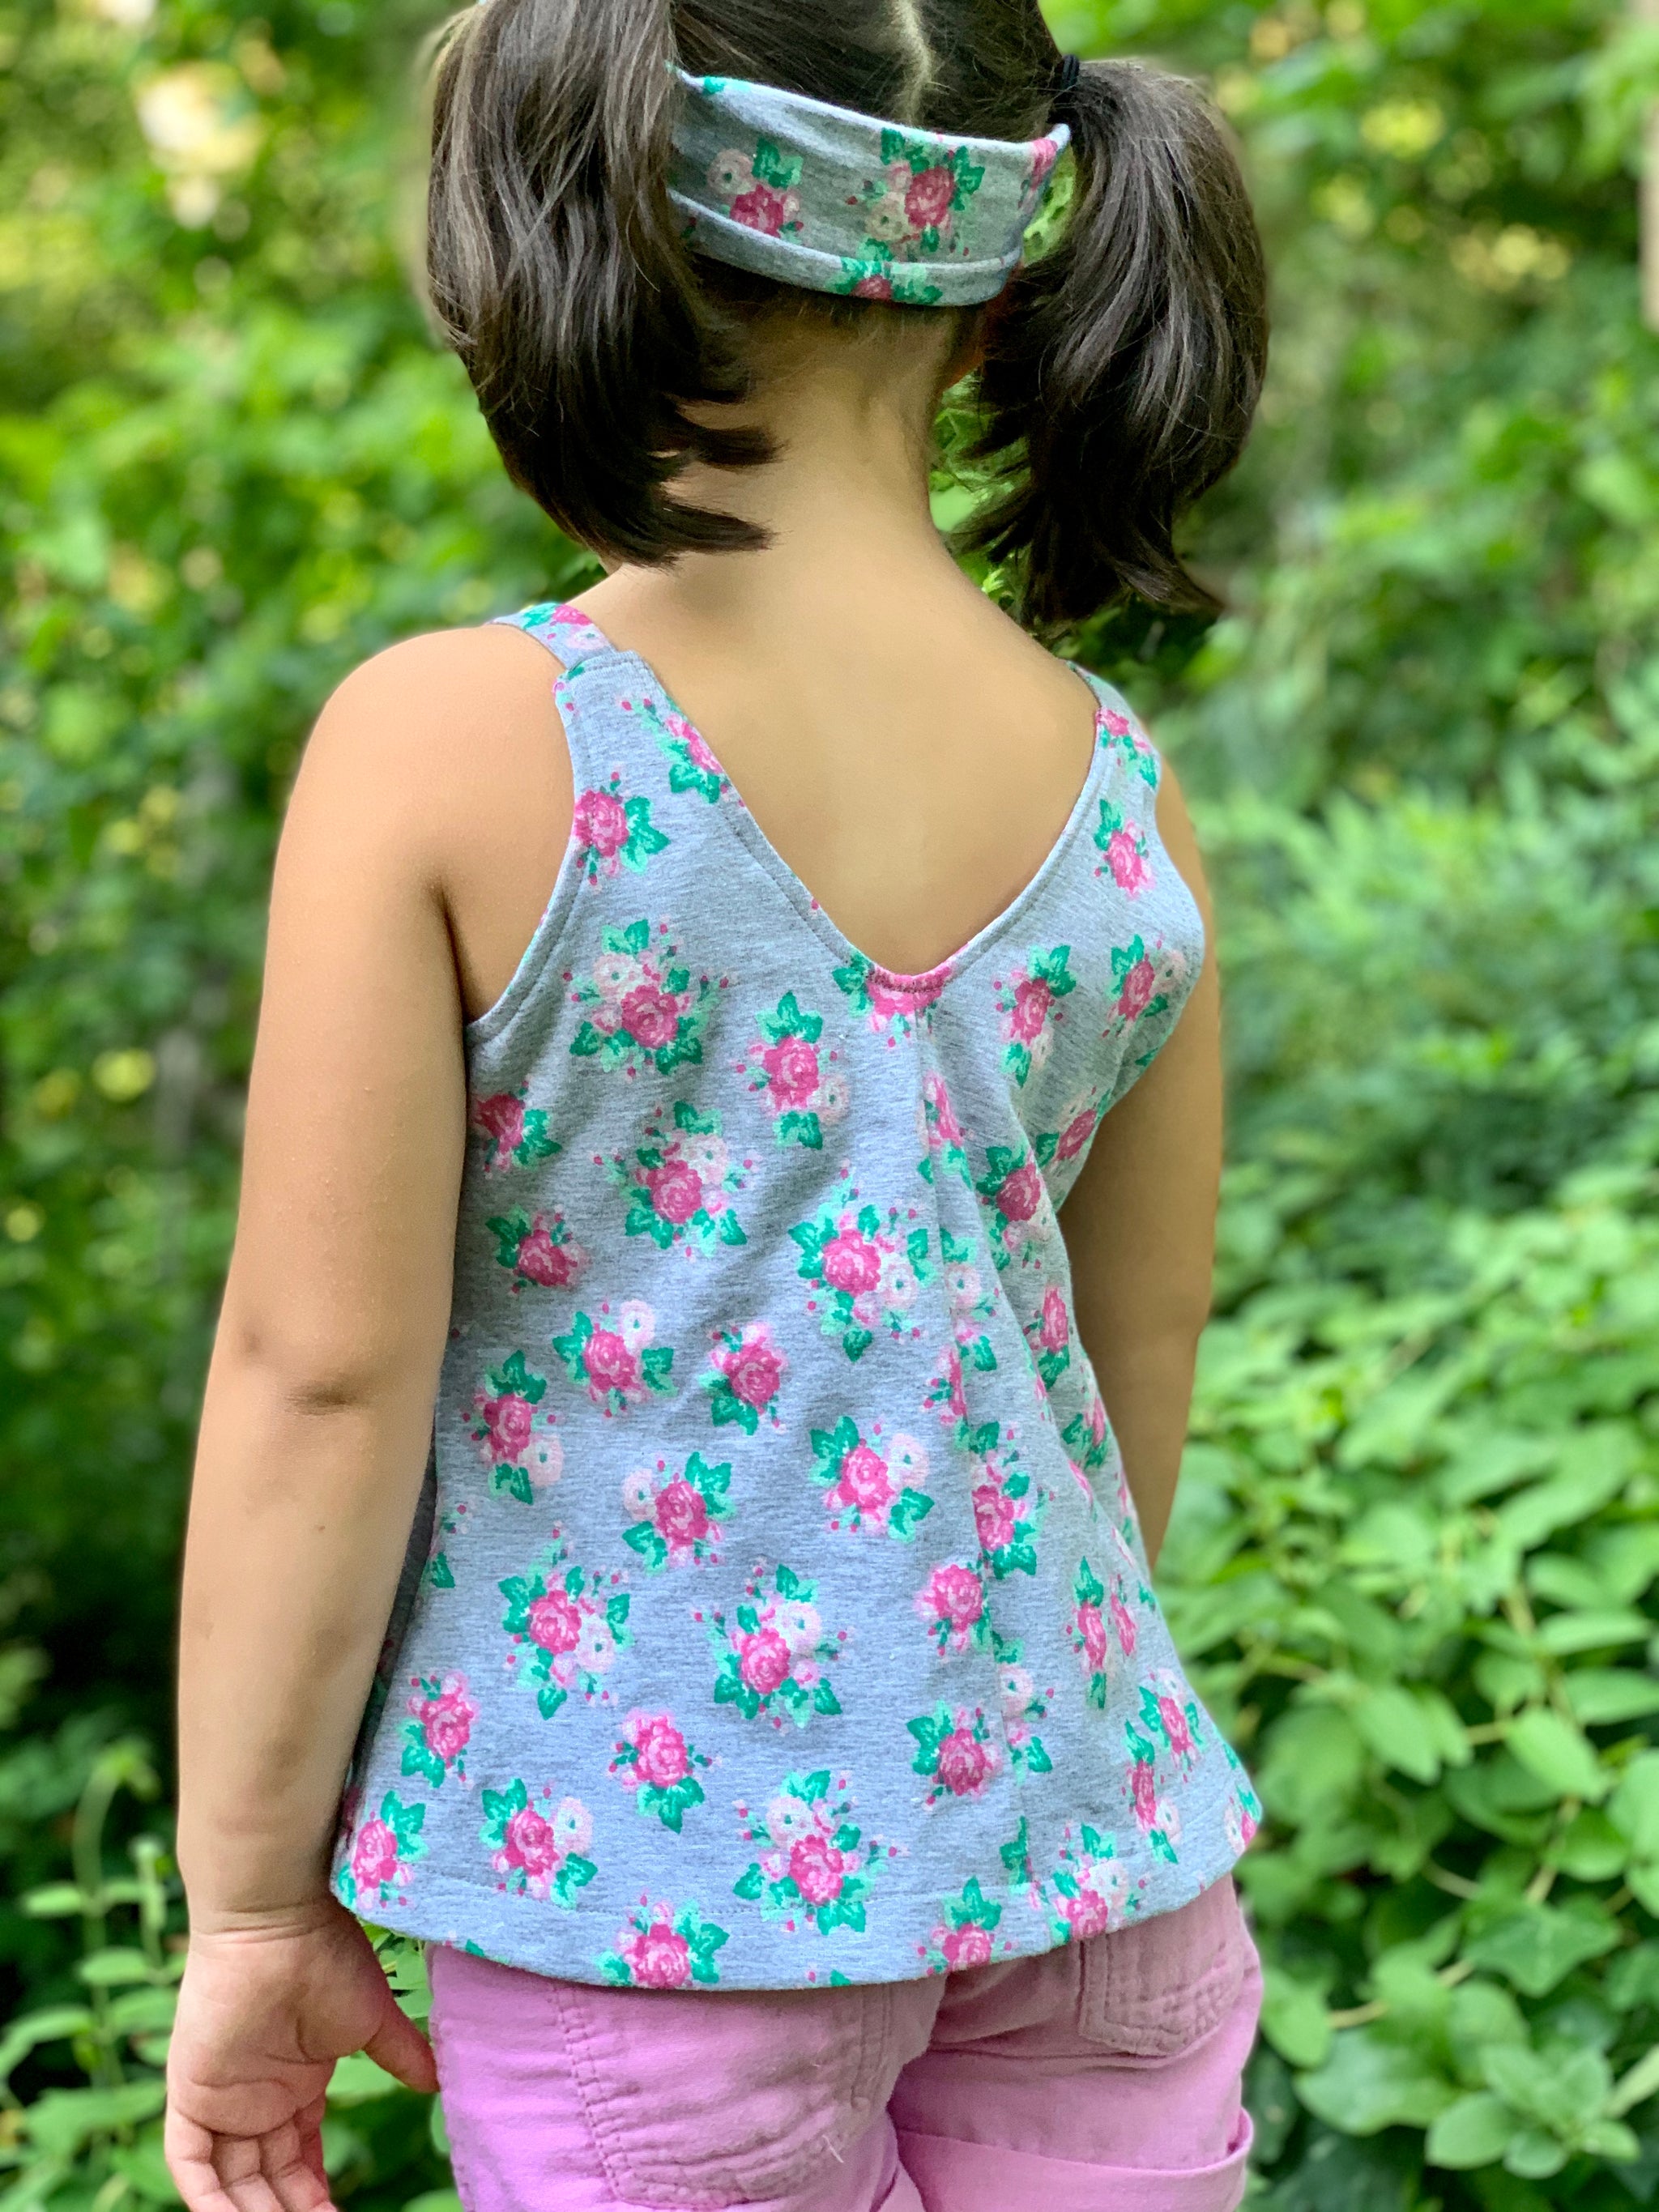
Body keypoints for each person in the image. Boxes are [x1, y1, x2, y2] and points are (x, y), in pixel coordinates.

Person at [164, 4, 1270, 2209]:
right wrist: (974, 1766)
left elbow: (319, 1374)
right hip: (1094, 1870)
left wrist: (255, 1908)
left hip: (648, 1916)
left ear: (591, 239)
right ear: (1001, 284)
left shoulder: (450, 747)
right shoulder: (1123, 796)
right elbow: (1130, 1352)